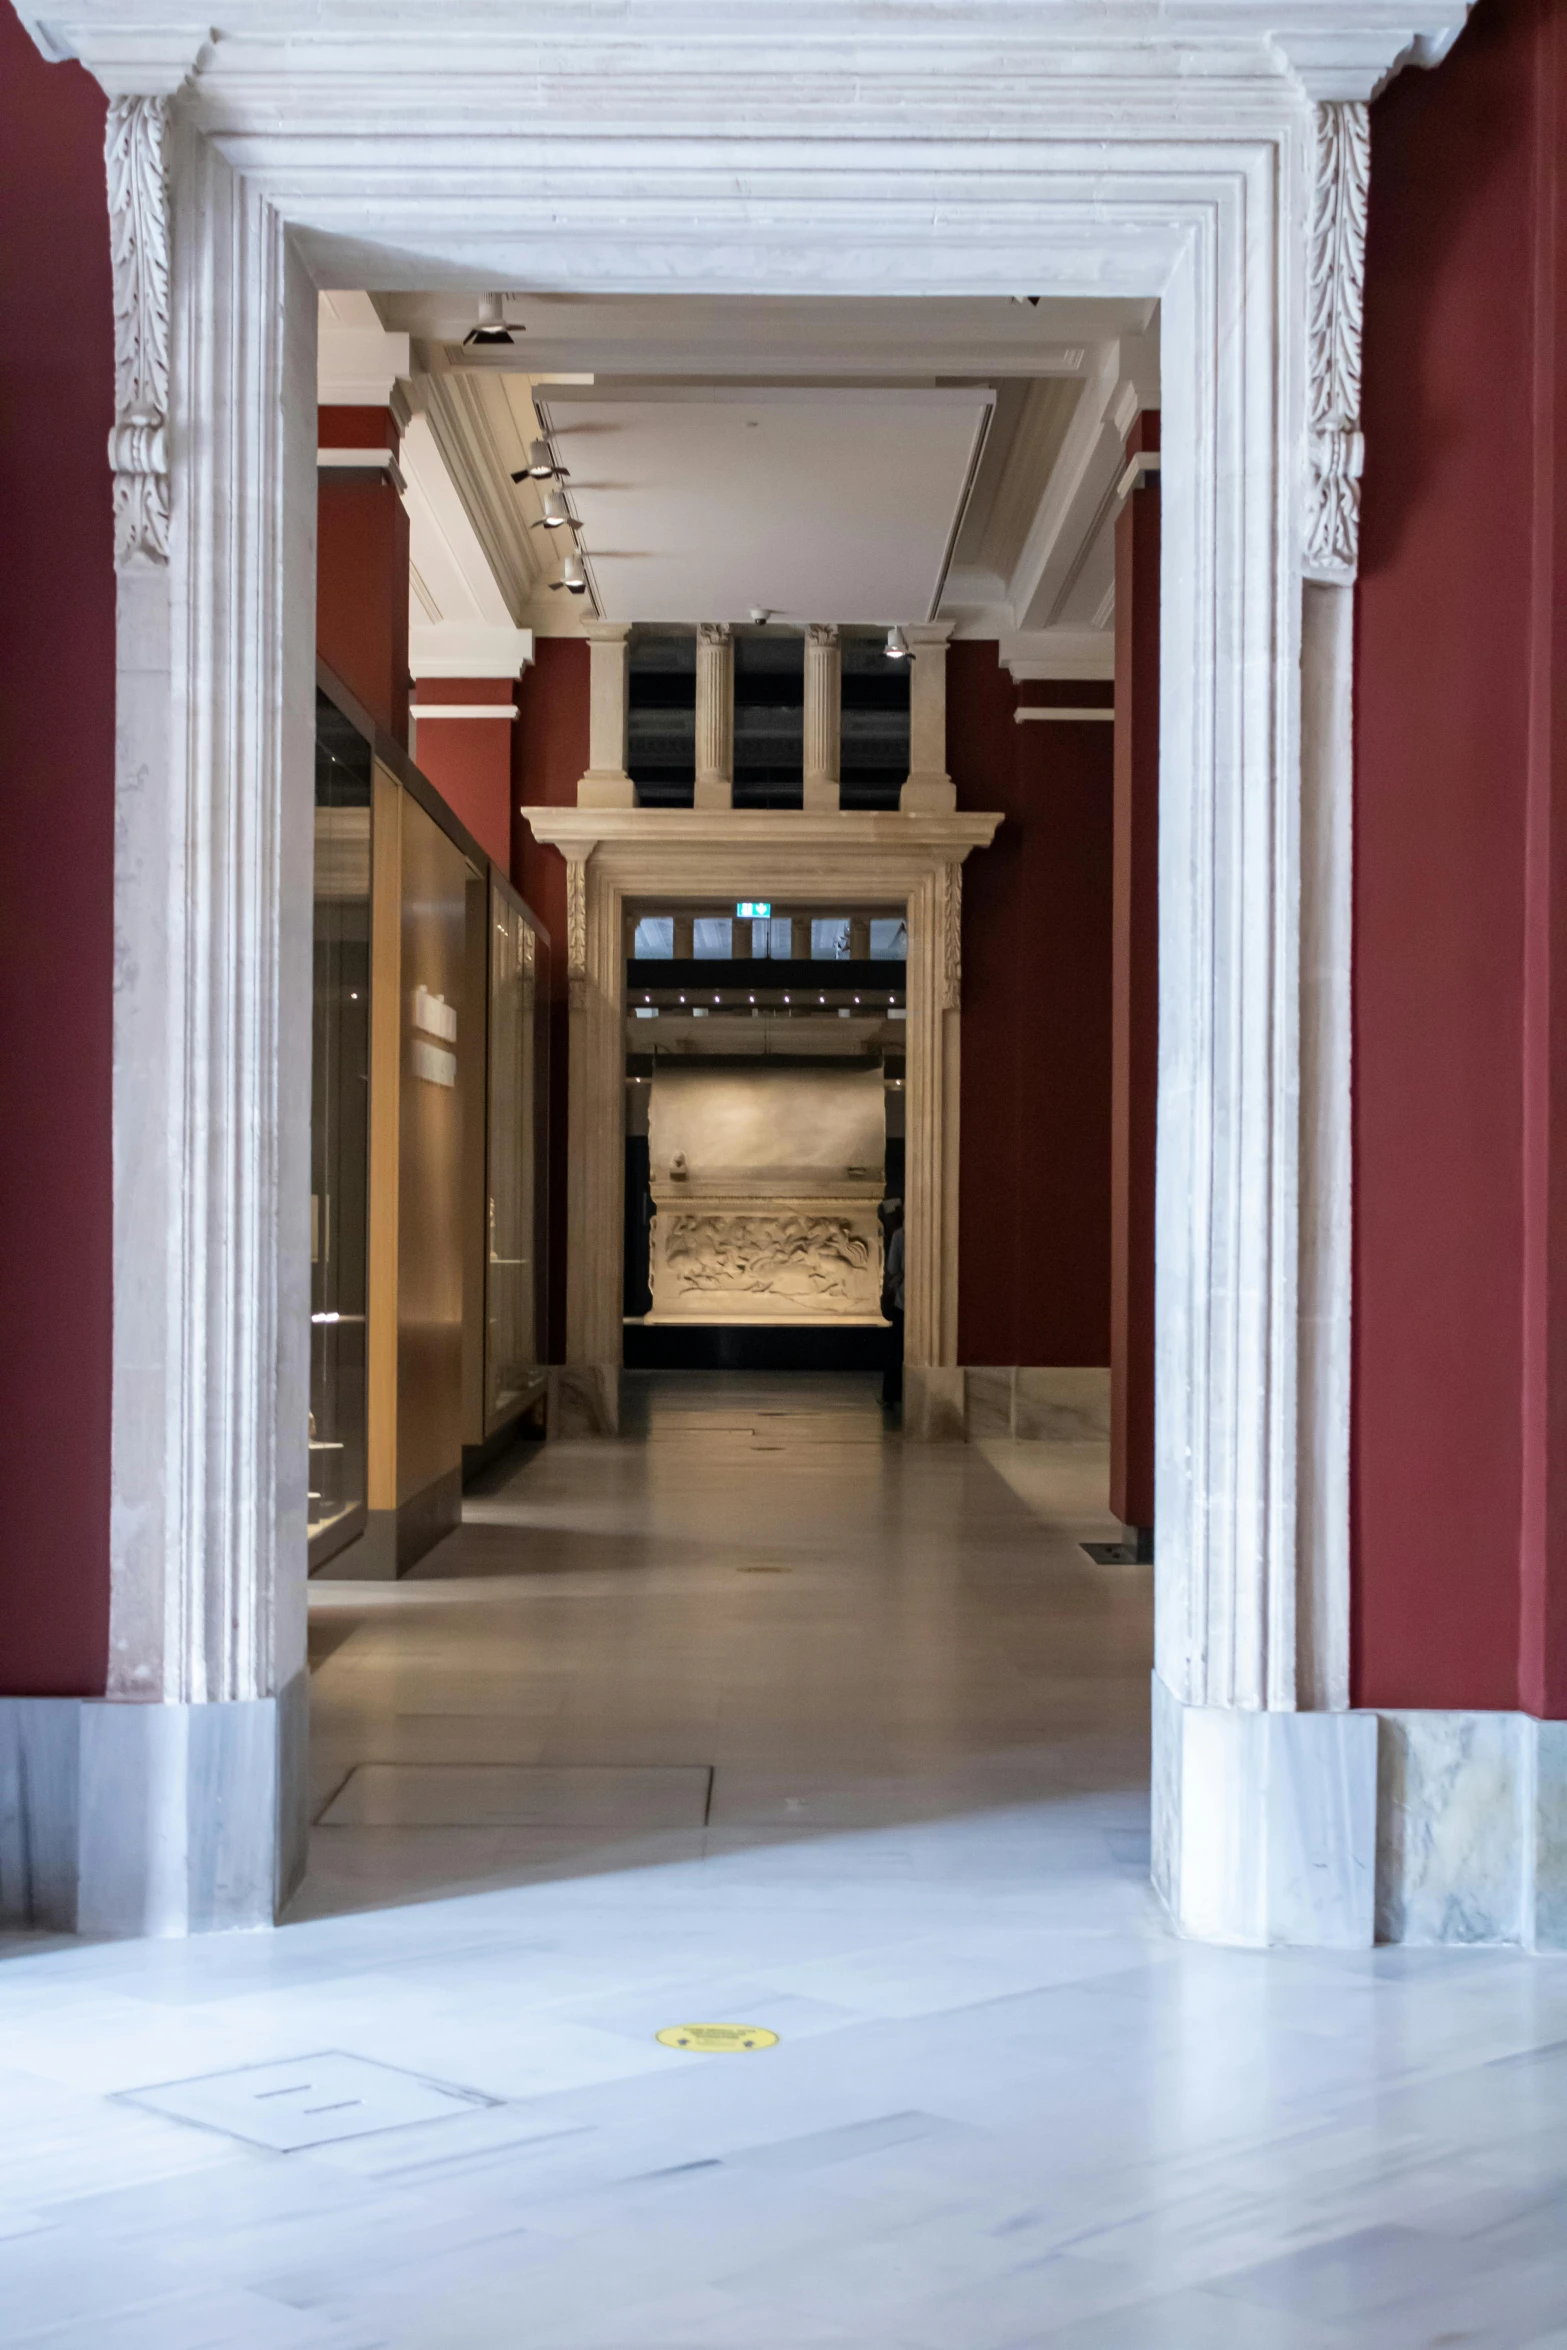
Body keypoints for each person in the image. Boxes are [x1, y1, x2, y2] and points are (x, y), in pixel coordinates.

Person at [880, 1197, 905, 1410]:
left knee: (896, 1350)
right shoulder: (900, 1234)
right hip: (910, 1299)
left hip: (903, 1301)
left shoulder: (900, 1235)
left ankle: (891, 1395)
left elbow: (893, 1269)